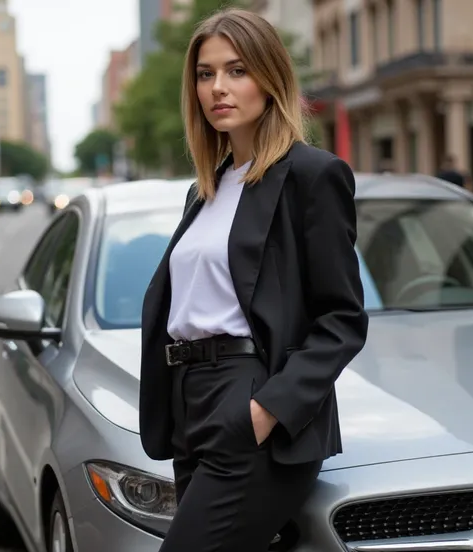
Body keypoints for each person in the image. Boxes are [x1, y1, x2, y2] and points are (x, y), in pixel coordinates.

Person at [139, 8, 369, 552]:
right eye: (205, 73)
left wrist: (266, 411)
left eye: (236, 70)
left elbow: (342, 319)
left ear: (270, 79)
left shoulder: (311, 176)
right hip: (190, 404)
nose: (217, 87)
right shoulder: (206, 191)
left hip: (251, 399)